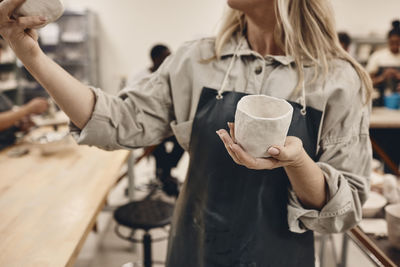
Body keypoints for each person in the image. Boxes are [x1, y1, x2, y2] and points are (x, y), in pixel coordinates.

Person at [0, 0, 372, 266]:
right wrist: (30, 53)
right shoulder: (197, 60)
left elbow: (345, 207)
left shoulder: (338, 80)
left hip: (279, 255)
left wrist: (298, 162)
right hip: (195, 247)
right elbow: (119, 121)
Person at [127, 44, 184, 197]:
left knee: (184, 139)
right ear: (155, 59)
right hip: (147, 125)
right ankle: (165, 177)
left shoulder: (172, 75)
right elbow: (132, 104)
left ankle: (164, 172)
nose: (170, 60)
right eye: (166, 57)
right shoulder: (139, 77)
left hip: (168, 125)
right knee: (157, 146)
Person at [366, 19, 400, 104]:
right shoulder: (378, 57)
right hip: (380, 101)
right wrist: (383, 77)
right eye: (392, 42)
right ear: (388, 41)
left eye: (398, 42)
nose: (395, 45)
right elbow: (367, 82)